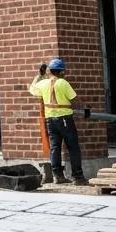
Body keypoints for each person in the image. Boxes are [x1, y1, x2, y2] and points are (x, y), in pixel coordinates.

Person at [29, 58, 87, 186]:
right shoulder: (63, 83)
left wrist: (39, 75)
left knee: (55, 148)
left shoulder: (43, 83)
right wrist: (84, 109)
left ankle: (58, 176)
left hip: (50, 121)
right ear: (61, 72)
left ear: (50, 71)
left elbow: (32, 89)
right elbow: (75, 99)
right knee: (73, 148)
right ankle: (78, 177)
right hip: (65, 119)